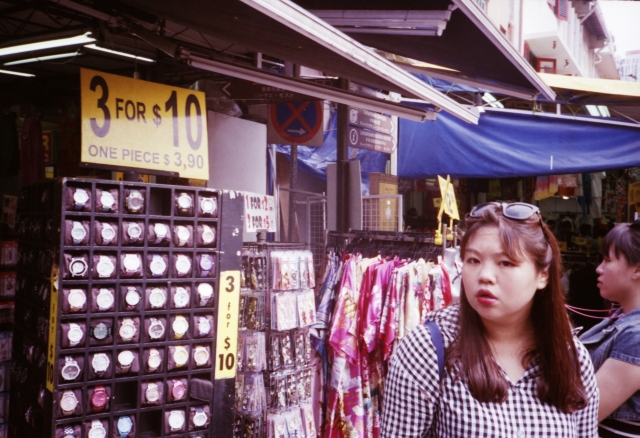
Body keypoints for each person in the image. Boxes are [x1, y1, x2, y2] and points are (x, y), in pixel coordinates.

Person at [381, 202, 599, 437]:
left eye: (505, 263)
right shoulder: (428, 349)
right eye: (473, 260)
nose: (484, 276)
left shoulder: (571, 358)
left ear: (542, 275)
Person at [579, 221, 640, 437]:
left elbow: (582, 414)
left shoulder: (637, 336)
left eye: (607, 260)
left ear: (637, 269)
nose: (599, 268)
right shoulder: (620, 319)